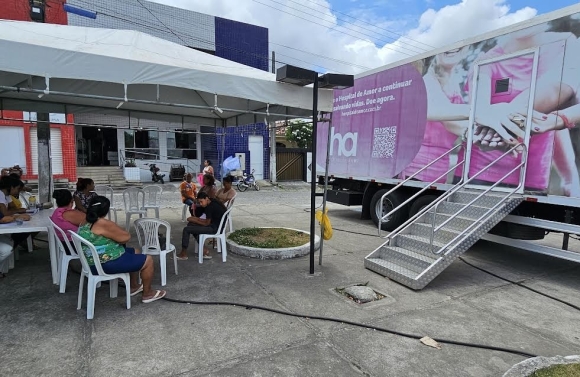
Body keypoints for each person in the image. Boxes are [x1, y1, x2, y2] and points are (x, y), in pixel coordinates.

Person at [77, 196, 166, 303]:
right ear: (105, 211)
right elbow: (125, 238)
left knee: (135, 251)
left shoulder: (84, 221)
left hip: (92, 261)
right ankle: (148, 294)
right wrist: (113, 226)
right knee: (148, 260)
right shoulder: (102, 223)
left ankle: (133, 286)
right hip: (105, 264)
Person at [178, 191, 226, 260]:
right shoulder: (212, 201)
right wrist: (196, 220)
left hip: (214, 228)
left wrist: (195, 220)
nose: (200, 204)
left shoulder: (209, 207)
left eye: (201, 201)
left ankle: (183, 254)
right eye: (199, 202)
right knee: (190, 225)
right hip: (215, 225)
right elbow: (208, 221)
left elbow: (207, 223)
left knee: (186, 229)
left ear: (206, 198)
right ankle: (204, 250)